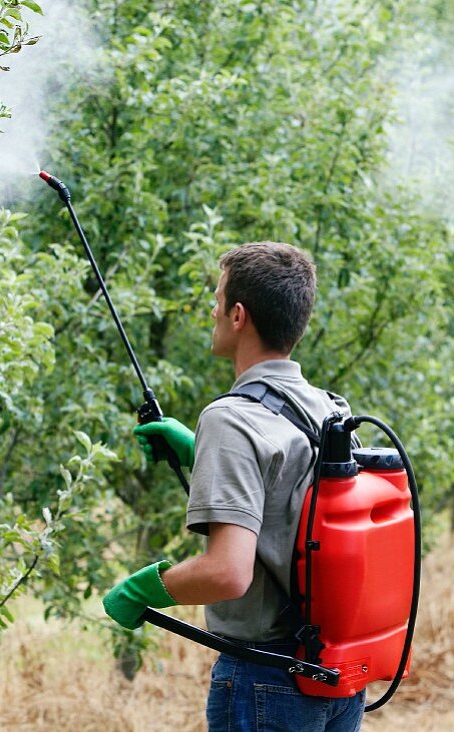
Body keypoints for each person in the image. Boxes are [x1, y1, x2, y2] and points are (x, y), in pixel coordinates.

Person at [102, 241, 365, 731]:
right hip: (334, 672)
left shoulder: (231, 419)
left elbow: (227, 573)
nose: (212, 308)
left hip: (265, 680)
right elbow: (291, 500)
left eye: (218, 298)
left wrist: (143, 588)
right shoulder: (330, 409)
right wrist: (197, 449)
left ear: (239, 315)